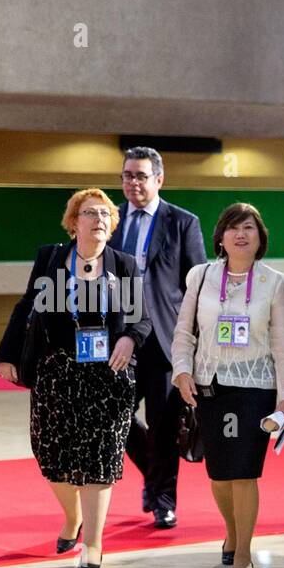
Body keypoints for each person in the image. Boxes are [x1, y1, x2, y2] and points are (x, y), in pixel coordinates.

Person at [0, 188, 150, 568]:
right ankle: (72, 516)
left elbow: (140, 317)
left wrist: (131, 337)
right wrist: (7, 353)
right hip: (57, 371)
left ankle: (94, 544)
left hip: (108, 375)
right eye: (89, 212)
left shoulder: (124, 264)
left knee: (100, 458)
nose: (98, 218)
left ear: (112, 225)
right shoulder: (51, 259)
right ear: (73, 222)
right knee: (51, 455)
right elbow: (26, 306)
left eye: (105, 214)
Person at [171, 204, 284, 568]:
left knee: (244, 471)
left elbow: (283, 344)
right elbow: (184, 331)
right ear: (221, 237)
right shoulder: (201, 276)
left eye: (249, 228)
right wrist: (181, 371)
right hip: (209, 385)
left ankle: (243, 550)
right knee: (219, 473)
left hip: (255, 387)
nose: (240, 234)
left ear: (260, 238)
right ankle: (231, 529)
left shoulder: (273, 282)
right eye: (232, 228)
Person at [117, 146, 208, 530]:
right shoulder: (110, 218)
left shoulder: (182, 222)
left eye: (140, 175)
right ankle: (154, 477)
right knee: (113, 415)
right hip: (118, 337)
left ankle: (163, 500)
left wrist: (195, 346)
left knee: (164, 423)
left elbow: (197, 285)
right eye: (127, 175)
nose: (133, 183)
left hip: (165, 339)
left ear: (159, 179)